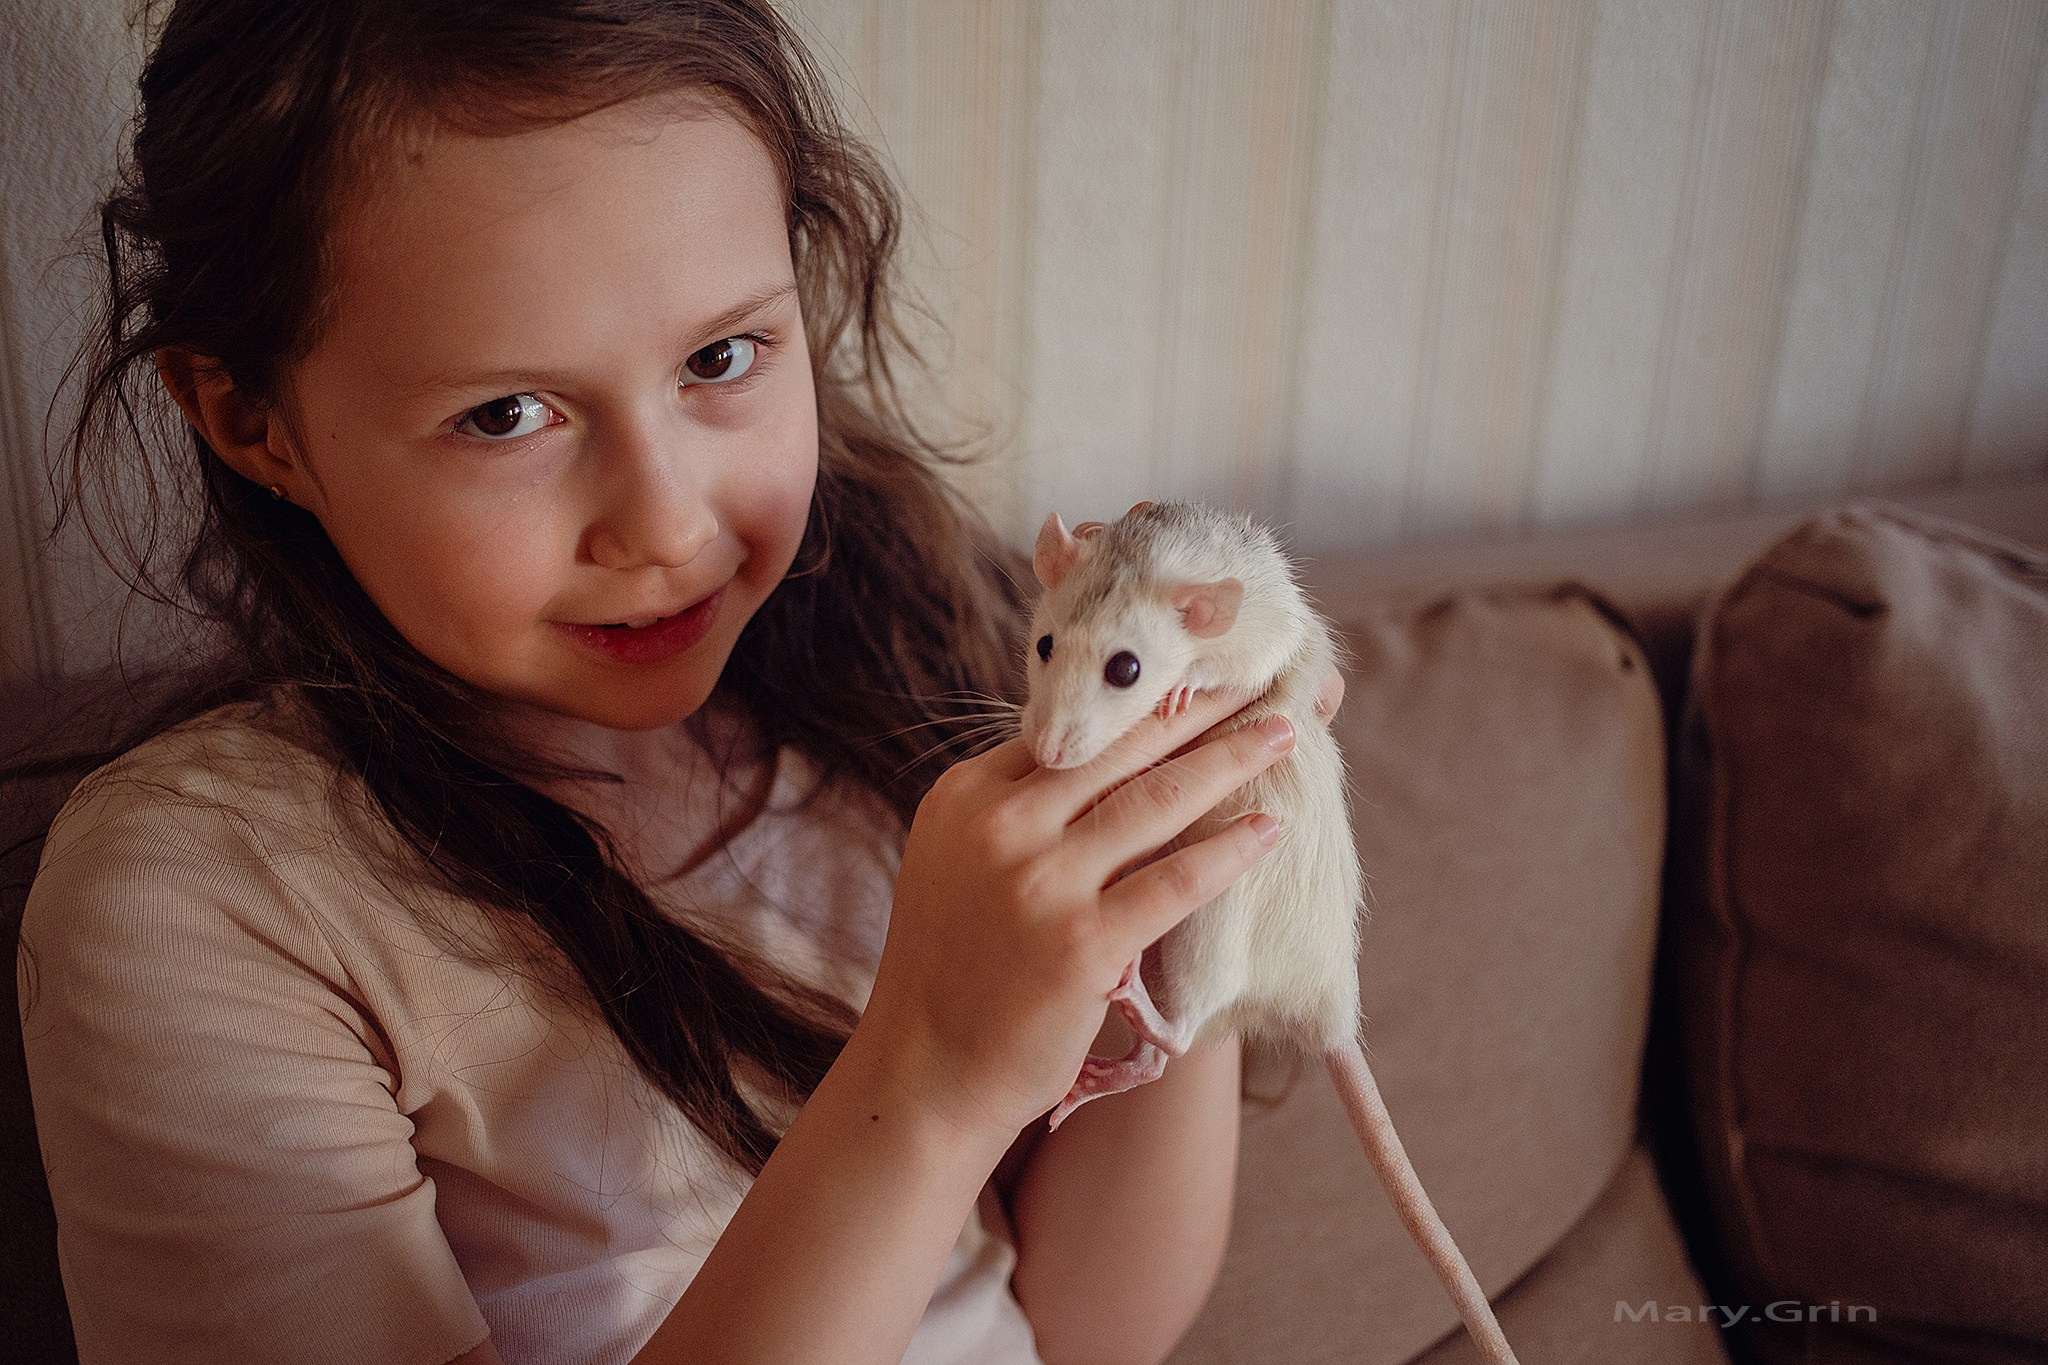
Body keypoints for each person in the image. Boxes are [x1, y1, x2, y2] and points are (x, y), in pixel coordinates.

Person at [15, 3, 1330, 1362]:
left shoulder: (916, 678)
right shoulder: (200, 901)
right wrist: (926, 1083)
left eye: (720, 356)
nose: (666, 526)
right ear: (252, 418)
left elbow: (1089, 1333)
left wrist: (1191, 866)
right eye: (505, 413)